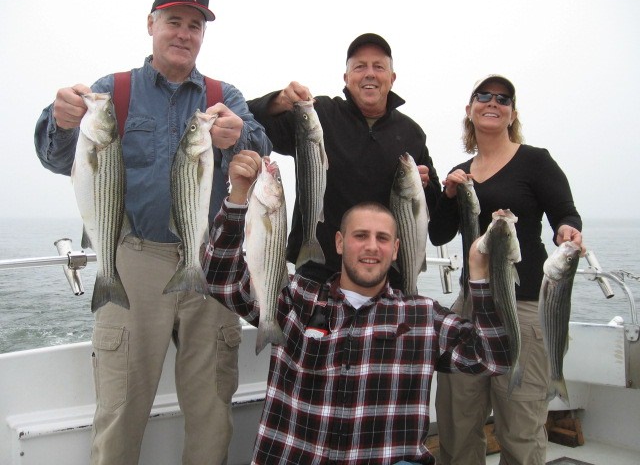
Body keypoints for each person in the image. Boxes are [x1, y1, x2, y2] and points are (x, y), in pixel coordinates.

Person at [33, 0, 272, 464]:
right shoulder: (114, 90)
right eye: (175, 21)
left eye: (195, 25)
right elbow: (58, 159)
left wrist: (239, 135)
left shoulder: (225, 97)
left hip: (210, 263)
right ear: (151, 24)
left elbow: (260, 152)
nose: (185, 34)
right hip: (133, 258)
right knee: (122, 407)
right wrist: (60, 123)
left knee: (211, 409)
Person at [204, 149, 511, 465]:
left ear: (395, 250)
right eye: (360, 235)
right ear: (339, 243)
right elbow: (219, 279)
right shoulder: (295, 298)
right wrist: (239, 195)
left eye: (382, 238)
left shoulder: (422, 316)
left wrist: (481, 276)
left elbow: (493, 356)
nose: (371, 246)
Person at [430, 74, 584, 465]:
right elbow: (439, 234)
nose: (493, 102)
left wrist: (568, 231)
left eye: (503, 98)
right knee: (457, 422)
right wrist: (448, 194)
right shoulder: (460, 172)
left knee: (519, 428)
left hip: (525, 304)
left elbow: (565, 214)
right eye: (484, 96)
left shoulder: (535, 161)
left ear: (512, 113)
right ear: (470, 109)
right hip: (470, 307)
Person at [247, 33, 441, 288]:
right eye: (359, 67)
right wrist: (278, 101)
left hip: (384, 281)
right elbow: (248, 121)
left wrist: (426, 188)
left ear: (391, 78)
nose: (369, 74)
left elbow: (437, 223)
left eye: (378, 66)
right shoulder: (319, 114)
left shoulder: (412, 134)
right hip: (318, 275)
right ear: (346, 78)